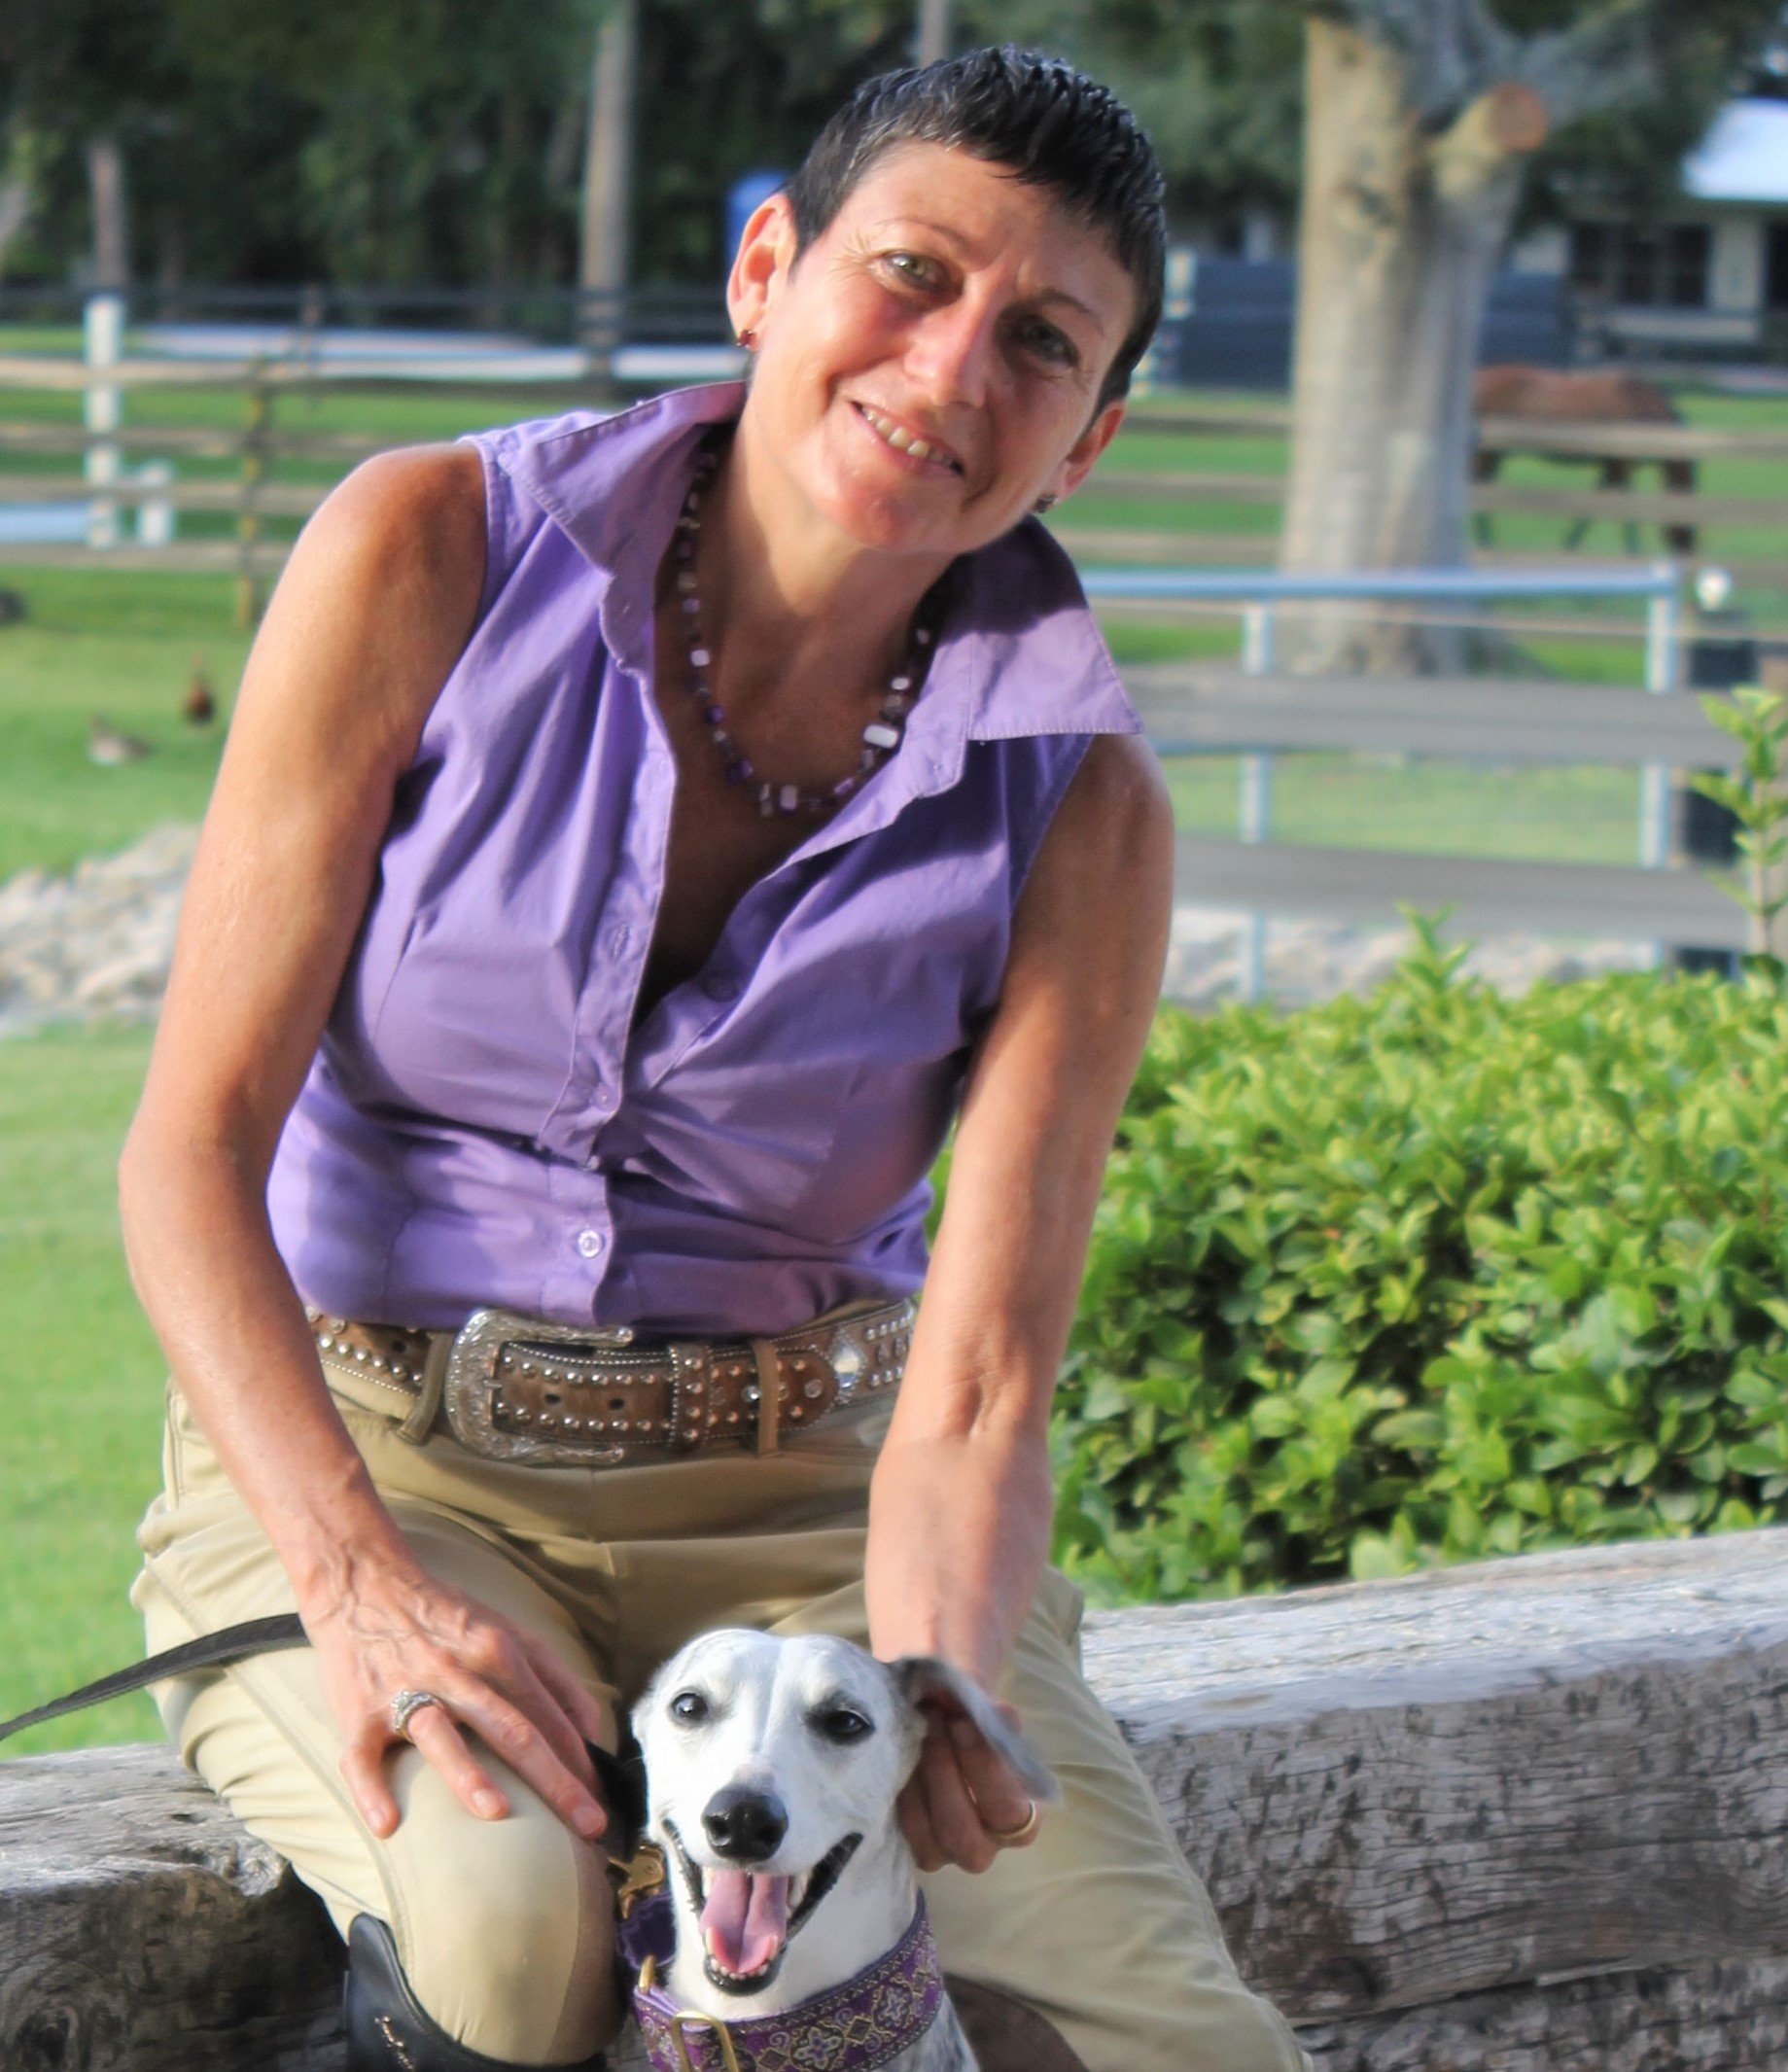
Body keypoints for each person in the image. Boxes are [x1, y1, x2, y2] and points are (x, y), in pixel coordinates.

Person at [121, 45, 1309, 2072]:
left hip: (819, 1517)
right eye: (910, 274)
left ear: (1087, 438)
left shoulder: (1082, 808)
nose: (947, 374)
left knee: (1182, 2048)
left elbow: (986, 1375)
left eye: (1037, 341)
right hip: (378, 1455)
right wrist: (356, 1579)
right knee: (511, 1948)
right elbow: (184, 1150)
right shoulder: (425, 549)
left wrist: (933, 1671)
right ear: (767, 266)